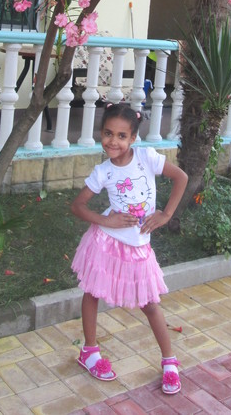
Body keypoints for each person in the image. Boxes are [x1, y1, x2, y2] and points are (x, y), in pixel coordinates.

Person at [70, 102, 188, 395]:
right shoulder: (103, 172)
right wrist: (105, 220)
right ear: (101, 133)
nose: (113, 141)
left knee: (150, 304)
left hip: (138, 248)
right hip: (106, 244)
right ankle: (89, 352)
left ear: (133, 138)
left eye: (122, 136)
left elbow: (181, 177)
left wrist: (166, 214)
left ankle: (169, 361)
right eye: (108, 133)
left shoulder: (147, 158)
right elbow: (78, 206)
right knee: (92, 292)